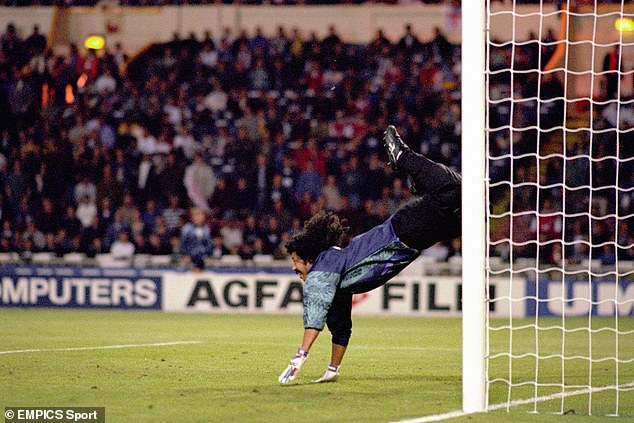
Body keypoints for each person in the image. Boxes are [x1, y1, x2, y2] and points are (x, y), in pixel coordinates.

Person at [278, 126, 461, 384]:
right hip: (409, 242)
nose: (293, 267)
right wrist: (332, 370)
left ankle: (402, 156)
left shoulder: (323, 268)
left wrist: (299, 357)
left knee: (456, 191)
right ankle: (419, 182)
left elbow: (315, 316)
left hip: (402, 233)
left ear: (308, 256)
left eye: (295, 260)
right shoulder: (336, 282)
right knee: (463, 201)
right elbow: (340, 328)